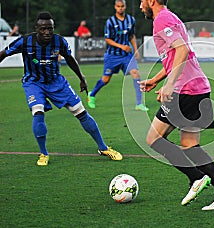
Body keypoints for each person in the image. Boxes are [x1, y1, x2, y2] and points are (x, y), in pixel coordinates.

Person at [138, 0, 214, 210]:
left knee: (153, 139)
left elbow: (182, 51)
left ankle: (196, 177)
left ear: (151, 0)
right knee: (190, 144)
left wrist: (170, 85)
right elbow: (179, 55)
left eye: (141, 0)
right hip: (198, 88)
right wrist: (156, 80)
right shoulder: (172, 18)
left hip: (185, 90)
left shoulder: (162, 19)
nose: (140, 5)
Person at [0, 12, 123, 166]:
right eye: (43, 29)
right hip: (33, 83)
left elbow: (70, 59)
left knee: (81, 112)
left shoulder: (59, 41)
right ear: (36, 29)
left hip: (56, 82)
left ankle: (103, 148)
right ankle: (43, 153)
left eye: (50, 28)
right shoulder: (25, 42)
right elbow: (3, 53)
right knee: (38, 112)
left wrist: (81, 78)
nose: (47, 32)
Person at [87, 0, 148, 111]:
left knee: (136, 73)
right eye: (118, 6)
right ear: (115, 7)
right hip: (112, 56)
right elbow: (107, 39)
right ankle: (92, 95)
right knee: (105, 80)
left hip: (126, 55)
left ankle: (139, 104)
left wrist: (135, 50)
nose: (120, 8)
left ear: (125, 7)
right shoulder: (110, 22)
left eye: (122, 6)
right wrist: (121, 46)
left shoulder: (130, 20)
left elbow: (131, 36)